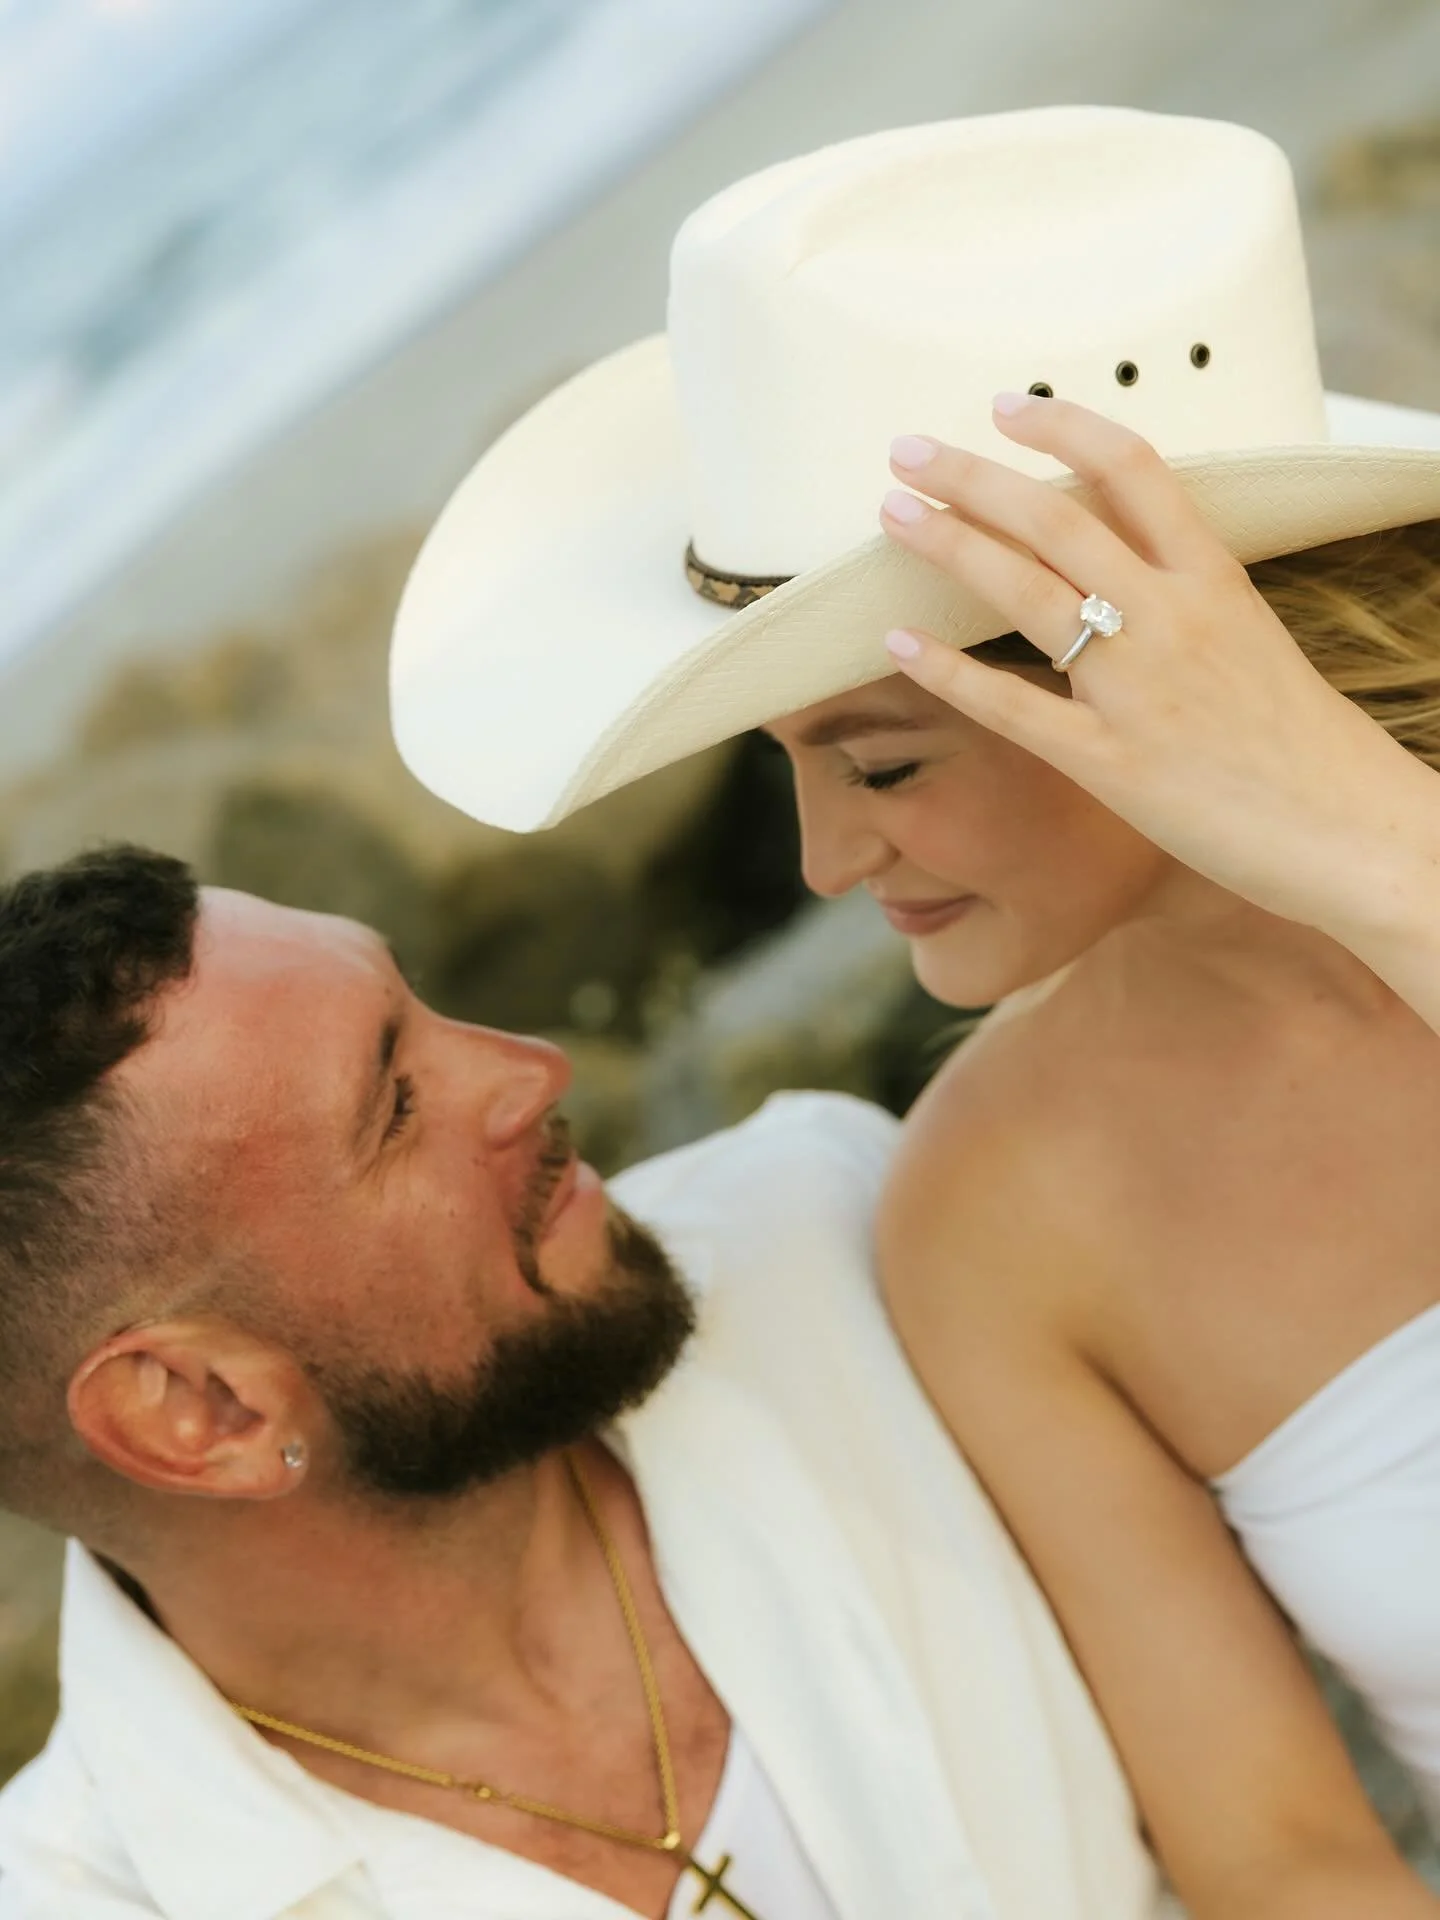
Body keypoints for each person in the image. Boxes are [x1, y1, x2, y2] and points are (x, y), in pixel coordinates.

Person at [387, 107, 1440, 1910]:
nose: (816, 865)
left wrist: (1364, 846)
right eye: (788, 769)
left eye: (875, 759)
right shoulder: (1006, 1213)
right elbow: (1282, 1858)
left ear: (1164, 662)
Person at [0, 851, 1172, 1920]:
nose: (531, 1071)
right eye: (395, 1108)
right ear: (202, 1411)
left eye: (416, 1006)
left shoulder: (847, 1244)